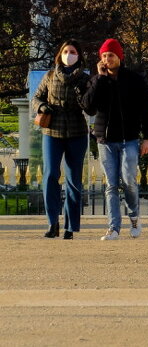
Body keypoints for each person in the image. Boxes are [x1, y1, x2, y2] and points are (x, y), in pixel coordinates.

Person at [81, 38, 148, 241]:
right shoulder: (98, 80)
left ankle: (134, 216)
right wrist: (99, 79)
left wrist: (147, 137)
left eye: (110, 55)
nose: (107, 59)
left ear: (119, 57)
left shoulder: (134, 80)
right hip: (105, 140)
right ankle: (113, 227)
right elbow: (88, 107)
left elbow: (146, 110)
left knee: (128, 180)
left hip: (129, 139)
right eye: (104, 56)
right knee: (111, 185)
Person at [32, 39, 90, 239]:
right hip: (52, 132)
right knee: (49, 176)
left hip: (76, 133)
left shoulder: (84, 78)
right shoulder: (49, 76)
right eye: (66, 51)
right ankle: (52, 222)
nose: (69, 54)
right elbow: (36, 98)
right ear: (60, 54)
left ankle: (70, 227)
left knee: (74, 180)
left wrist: (83, 93)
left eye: (73, 51)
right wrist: (41, 107)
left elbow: (90, 105)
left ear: (79, 55)